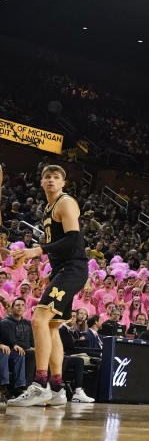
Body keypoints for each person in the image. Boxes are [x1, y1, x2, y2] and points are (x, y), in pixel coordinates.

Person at [9, 166, 89, 407]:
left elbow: (73, 240)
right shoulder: (47, 208)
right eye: (47, 177)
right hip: (64, 271)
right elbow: (60, 244)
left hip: (73, 269)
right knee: (52, 327)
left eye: (57, 177)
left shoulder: (65, 203)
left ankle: (39, 384)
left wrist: (38, 250)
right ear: (41, 183)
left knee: (38, 319)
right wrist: (50, 272)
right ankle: (57, 390)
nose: (52, 180)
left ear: (64, 183)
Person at [1, 297, 33, 397]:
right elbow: (7, 339)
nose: (20, 307)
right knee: (5, 353)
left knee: (21, 354)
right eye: (17, 305)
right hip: (6, 350)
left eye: (23, 305)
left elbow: (31, 340)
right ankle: (3, 386)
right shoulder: (4, 322)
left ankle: (20, 387)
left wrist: (34, 347)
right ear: (11, 308)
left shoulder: (28, 323)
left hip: (15, 350)